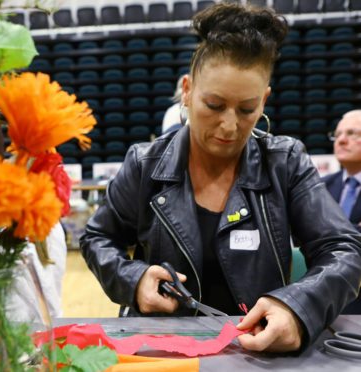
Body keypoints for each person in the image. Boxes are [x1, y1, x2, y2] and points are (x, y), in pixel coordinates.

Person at [80, 3, 361, 353]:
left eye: (247, 110)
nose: (229, 126)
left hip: (257, 353)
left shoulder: (285, 161)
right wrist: (134, 280)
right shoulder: (144, 163)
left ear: (265, 100)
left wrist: (296, 307)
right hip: (162, 351)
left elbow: (344, 250)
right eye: (213, 105)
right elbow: (97, 238)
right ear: (187, 89)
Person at [322, 109, 361, 314]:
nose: (342, 140)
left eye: (352, 133)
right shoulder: (320, 187)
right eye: (338, 135)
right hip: (325, 295)